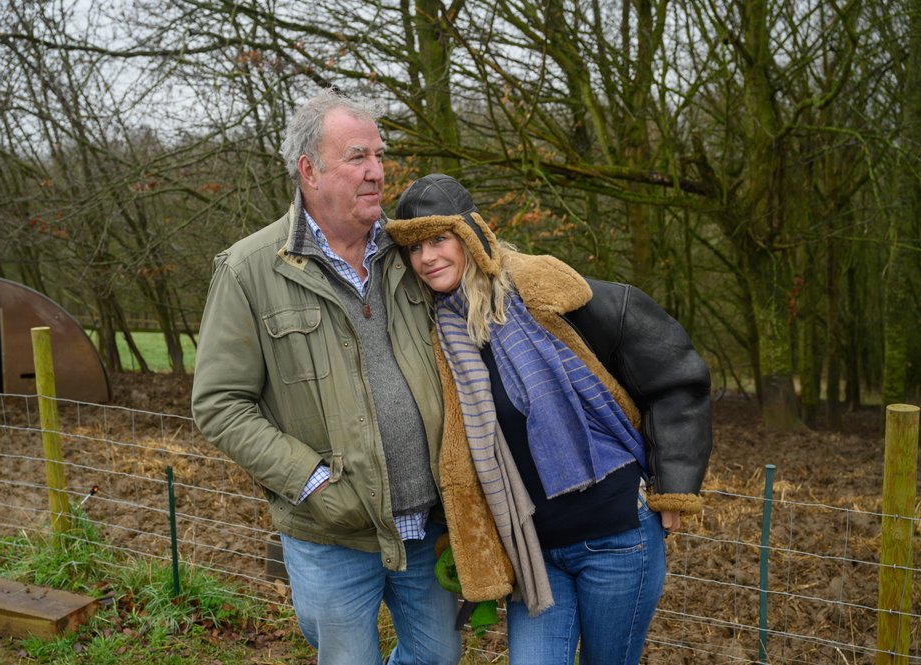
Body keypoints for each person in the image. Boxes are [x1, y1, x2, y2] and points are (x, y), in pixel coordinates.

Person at [386, 173, 713, 665]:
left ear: (471, 234)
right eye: (414, 248)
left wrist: (675, 483)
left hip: (619, 538)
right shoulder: (436, 335)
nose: (427, 257)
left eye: (438, 239)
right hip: (536, 556)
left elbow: (675, 376)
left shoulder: (554, 297)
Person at [191, 92, 461, 665]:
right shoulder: (249, 270)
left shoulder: (414, 252)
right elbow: (220, 404)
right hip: (331, 533)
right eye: (357, 156)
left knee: (438, 657)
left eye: (380, 156)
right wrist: (313, 483)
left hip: (429, 520)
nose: (377, 172)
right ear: (309, 170)